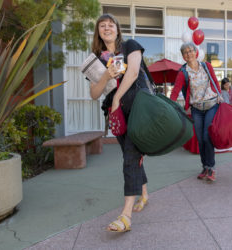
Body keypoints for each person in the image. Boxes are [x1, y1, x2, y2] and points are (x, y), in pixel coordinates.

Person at [89, 14, 150, 232]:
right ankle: (143, 193)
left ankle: (125, 216)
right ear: (98, 32)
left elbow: (133, 72)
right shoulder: (96, 59)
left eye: (110, 25)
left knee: (131, 157)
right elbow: (94, 93)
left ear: (117, 29)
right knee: (130, 155)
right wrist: (105, 76)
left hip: (136, 106)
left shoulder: (130, 45)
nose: (106, 28)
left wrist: (116, 97)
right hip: (116, 115)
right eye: (102, 26)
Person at [170, 42, 222, 182]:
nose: (189, 54)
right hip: (197, 109)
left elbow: (215, 81)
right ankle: (205, 167)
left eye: (191, 50)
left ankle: (211, 168)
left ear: (195, 52)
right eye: (185, 52)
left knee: (207, 137)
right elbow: (175, 90)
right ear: (183, 56)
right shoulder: (183, 72)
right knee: (200, 140)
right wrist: (169, 105)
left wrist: (219, 94)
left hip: (211, 105)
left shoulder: (206, 66)